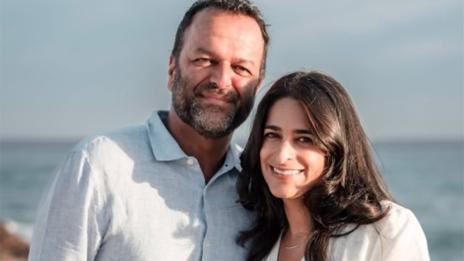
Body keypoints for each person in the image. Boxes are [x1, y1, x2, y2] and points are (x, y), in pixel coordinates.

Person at [28, 0, 269, 260]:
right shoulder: (99, 166)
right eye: (204, 59)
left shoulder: (261, 188)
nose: (221, 81)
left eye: (241, 68)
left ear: (257, 87)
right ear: (172, 69)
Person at [237, 71, 430, 261]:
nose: (282, 155)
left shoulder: (385, 231)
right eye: (272, 135)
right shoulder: (255, 241)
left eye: (304, 139)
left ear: (336, 149)